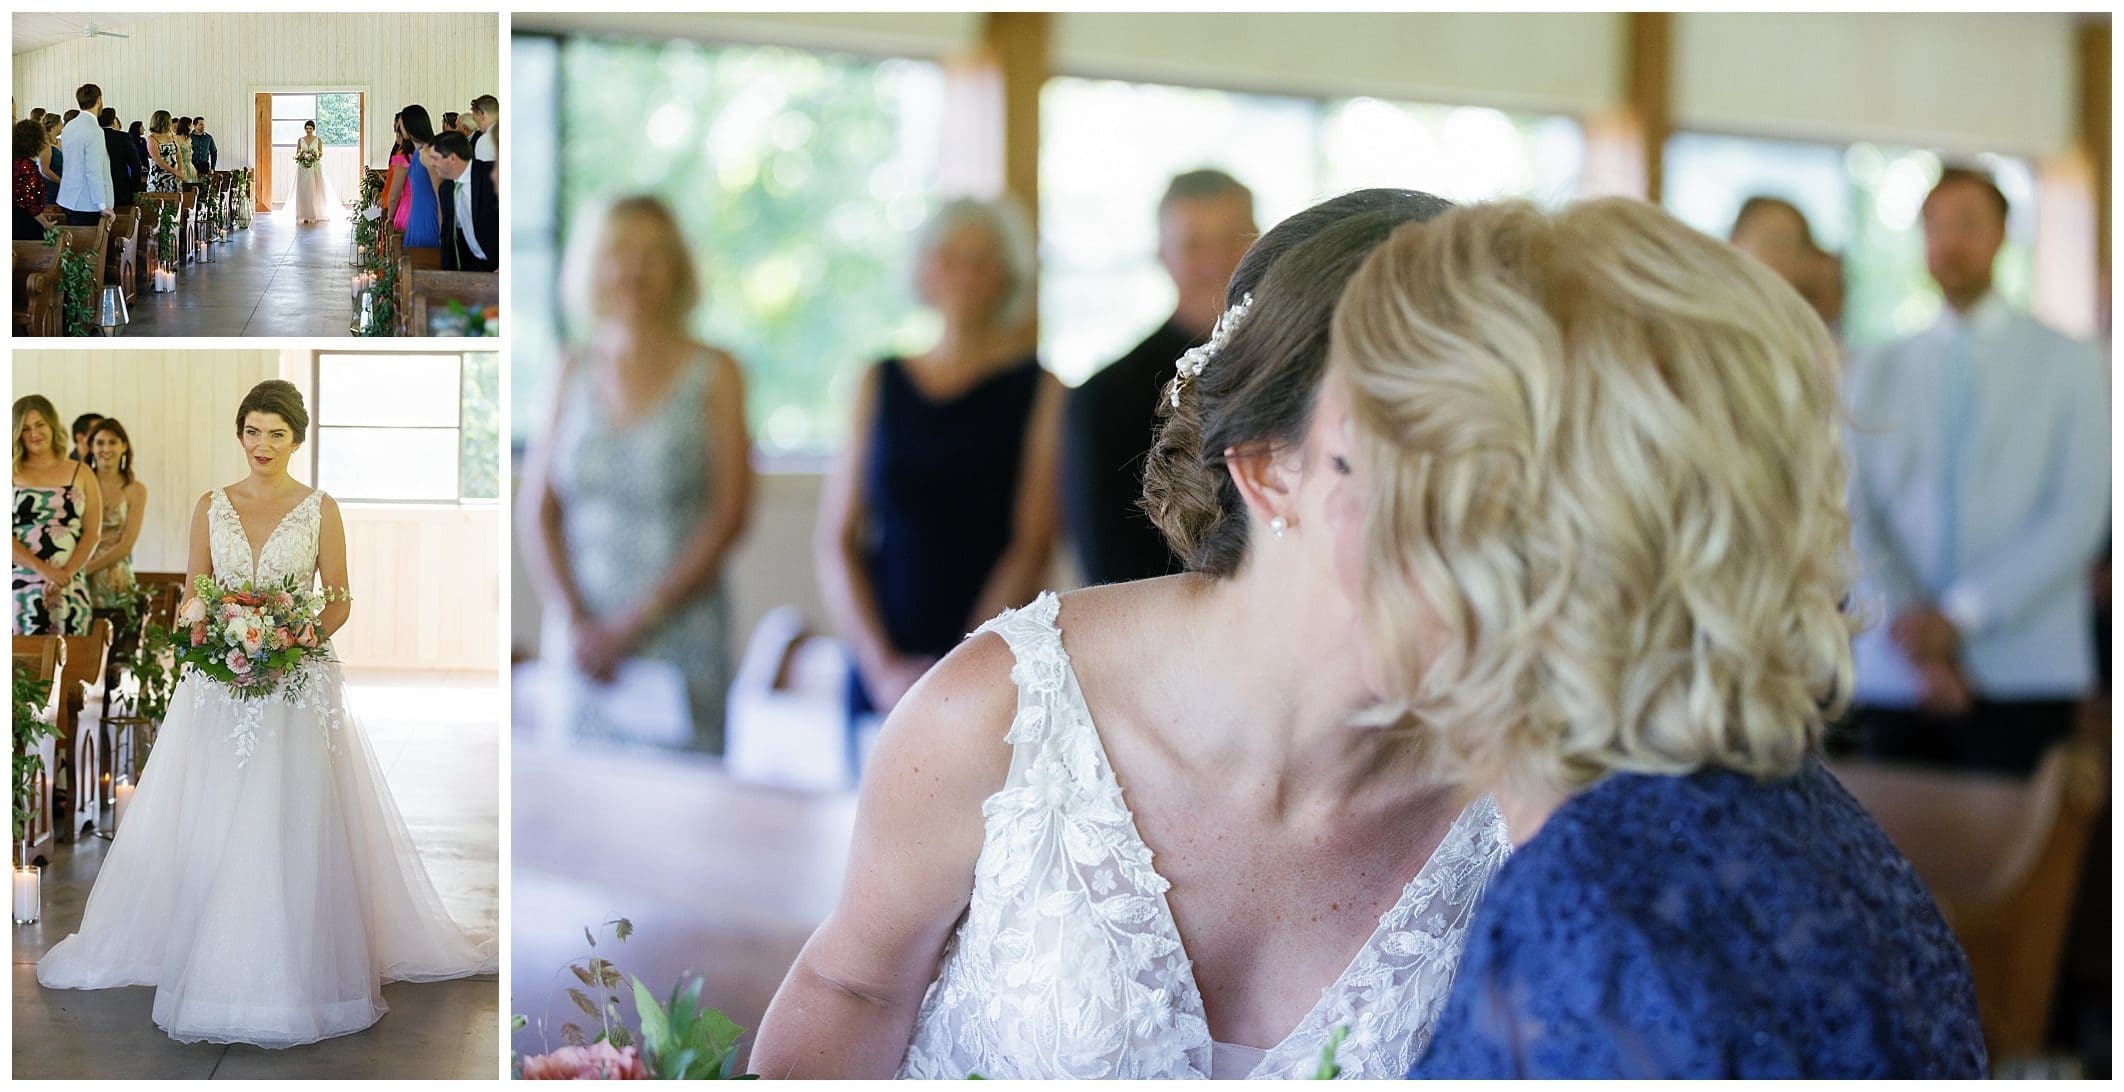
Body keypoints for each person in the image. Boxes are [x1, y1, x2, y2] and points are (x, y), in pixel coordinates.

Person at [754, 189, 1508, 1080]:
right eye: (1432, 445)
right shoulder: (1005, 713)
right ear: (1269, 471)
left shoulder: (1526, 786)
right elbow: (855, 989)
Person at [1320, 197, 1985, 1078]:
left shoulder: (1592, 916)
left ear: (1500, 537)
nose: (1328, 515)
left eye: (1350, 466)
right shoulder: (1796, 820)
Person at [37, 379, 497, 1046]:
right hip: (218, 685)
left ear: (297, 440)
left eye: (276, 433)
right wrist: (213, 631)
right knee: (215, 812)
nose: (262, 444)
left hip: (295, 683)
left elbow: (338, 601)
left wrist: (290, 637)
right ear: (240, 434)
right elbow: (195, 592)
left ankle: (290, 966)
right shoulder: (210, 505)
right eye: (252, 431)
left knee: (289, 816)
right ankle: (210, 951)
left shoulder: (319, 508)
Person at [1841, 168, 2110, 776]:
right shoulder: (1875, 366)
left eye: (1967, 225)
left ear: (2002, 236)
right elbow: (1854, 511)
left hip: (2023, 663)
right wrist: (1915, 629)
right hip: (1896, 665)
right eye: (1935, 227)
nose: (1950, 243)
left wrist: (1960, 619)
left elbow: (2078, 513)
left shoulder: (2070, 363)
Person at [812, 197, 1061, 778]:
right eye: (949, 258)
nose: (964, 275)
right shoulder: (879, 380)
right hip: (883, 660)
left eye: (982, 261)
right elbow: (837, 540)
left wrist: (959, 667)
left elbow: (1032, 544)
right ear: (924, 270)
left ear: (1009, 276)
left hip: (992, 658)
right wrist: (880, 668)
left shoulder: (1043, 389)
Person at [519, 196, 753, 754]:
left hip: (680, 635)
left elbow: (729, 515)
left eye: (654, 254)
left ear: (679, 268)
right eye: (620, 251)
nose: (635, 269)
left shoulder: (716, 372)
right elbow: (539, 512)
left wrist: (632, 624)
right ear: (594, 265)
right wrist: (578, 621)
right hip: (582, 642)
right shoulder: (570, 369)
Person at [1064, 168, 1257, 585]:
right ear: (1162, 254)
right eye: (1194, 245)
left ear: (1260, 243)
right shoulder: (1105, 397)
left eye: (1233, 239)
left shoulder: (1302, 369)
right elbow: (1109, 570)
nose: (1216, 260)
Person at [13, 396, 102, 637]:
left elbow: (92, 533)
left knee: (73, 663)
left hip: (69, 583)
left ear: (52, 425)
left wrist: (66, 573)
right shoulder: (9, 473)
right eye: (25, 428)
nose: (34, 433)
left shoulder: (81, 472)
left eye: (40, 424)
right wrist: (44, 571)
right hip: (18, 586)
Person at [80, 417, 145, 613]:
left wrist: (88, 569)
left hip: (116, 579)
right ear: (91, 447)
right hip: (79, 574)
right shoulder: (78, 485)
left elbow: (126, 544)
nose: (106, 449)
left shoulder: (136, 490)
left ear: (124, 446)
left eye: (112, 442)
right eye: (100, 443)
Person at [430, 130, 495, 272]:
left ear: (452, 158)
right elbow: (448, 235)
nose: (431, 163)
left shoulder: (491, 176)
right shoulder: (446, 189)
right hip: (473, 268)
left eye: (435, 158)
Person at [55, 84, 114, 228]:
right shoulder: (94, 131)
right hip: (87, 202)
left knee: (74, 247)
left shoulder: (69, 126)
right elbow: (93, 171)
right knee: (89, 249)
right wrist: (102, 205)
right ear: (99, 100)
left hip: (67, 198)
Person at [396, 105, 441, 248]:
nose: (399, 127)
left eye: (401, 124)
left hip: (427, 215)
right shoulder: (417, 153)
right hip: (416, 213)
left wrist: (443, 231)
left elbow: (440, 193)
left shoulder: (427, 153)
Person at [13, 118, 60, 241]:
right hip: (26, 222)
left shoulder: (18, 161)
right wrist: (46, 224)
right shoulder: (26, 166)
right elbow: (30, 201)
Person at [291, 120, 337, 225]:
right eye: (307, 128)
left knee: (315, 190)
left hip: (314, 167)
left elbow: (321, 154)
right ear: (305, 129)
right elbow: (297, 153)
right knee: (303, 190)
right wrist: (303, 157)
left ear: (313, 129)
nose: (308, 130)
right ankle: (303, 214)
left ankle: (314, 213)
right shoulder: (300, 140)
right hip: (303, 168)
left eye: (310, 128)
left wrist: (313, 157)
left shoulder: (318, 140)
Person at [99, 108, 142, 209]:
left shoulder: (92, 137)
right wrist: (134, 189)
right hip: (121, 188)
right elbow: (136, 165)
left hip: (97, 189)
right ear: (114, 121)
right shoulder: (123, 137)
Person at [144, 110, 182, 193]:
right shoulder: (152, 139)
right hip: (159, 176)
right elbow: (158, 160)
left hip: (173, 177)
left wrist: (180, 170)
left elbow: (178, 155)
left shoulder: (173, 136)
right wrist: (175, 171)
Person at [469, 95, 499, 165]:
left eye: (474, 119)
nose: (476, 124)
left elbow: (486, 174)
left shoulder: (486, 140)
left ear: (481, 114)